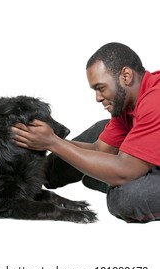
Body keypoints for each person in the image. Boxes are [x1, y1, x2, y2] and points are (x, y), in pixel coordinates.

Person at [12, 42, 160, 223]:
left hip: (130, 168)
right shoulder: (126, 102)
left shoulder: (155, 101)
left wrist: (52, 142)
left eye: (100, 88)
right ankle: (104, 174)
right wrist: (47, 137)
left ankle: (106, 176)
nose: (98, 98)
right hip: (139, 157)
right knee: (99, 132)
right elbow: (101, 149)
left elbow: (124, 171)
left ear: (126, 76)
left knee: (125, 199)